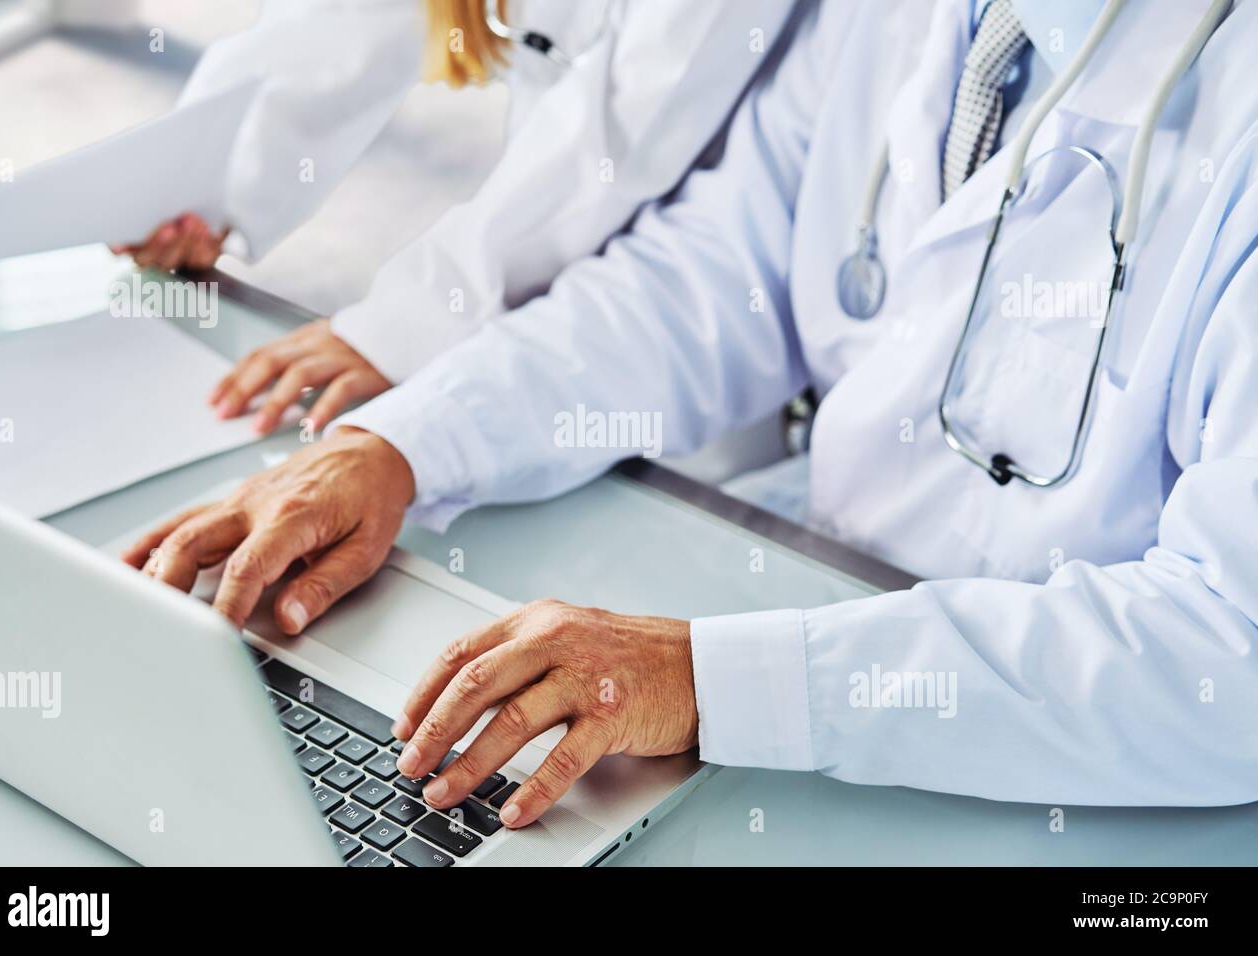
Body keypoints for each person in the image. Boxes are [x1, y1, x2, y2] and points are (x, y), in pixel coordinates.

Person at [125, 0, 1258, 829]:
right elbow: (713, 275)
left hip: (1096, 781)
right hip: (821, 605)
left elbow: (1233, 658)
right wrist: (410, 442)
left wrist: (713, 682)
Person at [114, 0, 798, 433]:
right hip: (551, 258)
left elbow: (625, 134)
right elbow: (346, 19)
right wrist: (204, 179)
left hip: (711, 280)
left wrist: (412, 322)